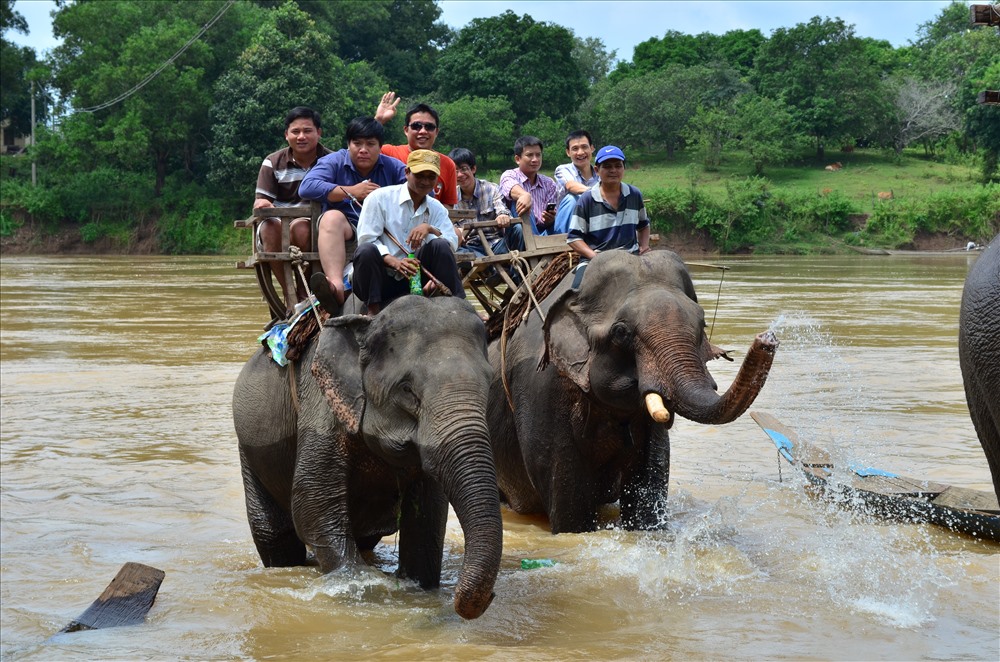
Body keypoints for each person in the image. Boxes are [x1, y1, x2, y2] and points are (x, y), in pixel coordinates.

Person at [298, 117, 406, 311]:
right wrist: (352, 191)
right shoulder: (335, 161)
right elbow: (307, 186)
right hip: (349, 225)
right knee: (331, 217)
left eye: (370, 144)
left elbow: (421, 191)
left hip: (384, 230)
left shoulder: (394, 167)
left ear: (380, 147)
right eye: (357, 143)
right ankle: (336, 286)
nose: (363, 149)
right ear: (348, 144)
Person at [352, 150, 464, 316]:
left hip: (415, 278)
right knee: (366, 251)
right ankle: (372, 311)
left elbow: (451, 242)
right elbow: (367, 239)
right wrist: (394, 262)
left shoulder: (436, 207)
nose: (425, 182)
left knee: (440, 245)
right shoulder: (379, 198)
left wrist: (429, 228)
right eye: (419, 175)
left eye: (431, 177)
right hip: (381, 278)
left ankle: (459, 304)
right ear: (407, 172)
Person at [253, 106, 332, 307]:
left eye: (307, 131)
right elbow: (261, 200)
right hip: (278, 221)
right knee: (270, 226)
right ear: (286, 135)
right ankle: (290, 294)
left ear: (319, 133)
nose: (301, 136)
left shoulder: (331, 160)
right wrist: (262, 203)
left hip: (315, 224)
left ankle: (303, 291)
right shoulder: (273, 162)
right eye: (295, 132)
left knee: (302, 228)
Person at [566, 145, 650, 285]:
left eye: (618, 166)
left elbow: (644, 225)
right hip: (595, 259)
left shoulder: (634, 194)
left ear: (624, 168)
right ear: (597, 170)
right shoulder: (586, 199)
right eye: (607, 166)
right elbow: (574, 238)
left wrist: (644, 247)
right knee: (576, 292)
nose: (613, 170)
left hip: (631, 257)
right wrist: (595, 257)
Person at [374, 92, 458, 207]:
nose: (423, 131)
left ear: (436, 132)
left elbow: (448, 206)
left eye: (429, 127)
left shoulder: (448, 164)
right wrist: (378, 121)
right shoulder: (387, 153)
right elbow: (357, 153)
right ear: (406, 130)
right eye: (416, 126)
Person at [448, 147, 525, 256]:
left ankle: (516, 272)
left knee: (518, 229)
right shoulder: (451, 197)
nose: (460, 175)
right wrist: (456, 231)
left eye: (463, 169)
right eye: (455, 171)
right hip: (471, 247)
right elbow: (449, 225)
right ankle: (488, 270)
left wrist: (502, 215)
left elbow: (501, 208)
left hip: (496, 243)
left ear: (473, 169)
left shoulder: (491, 189)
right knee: (452, 251)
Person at [498, 136, 558, 235]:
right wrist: (525, 195)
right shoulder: (509, 175)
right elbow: (512, 189)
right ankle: (534, 243)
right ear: (518, 159)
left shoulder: (549, 183)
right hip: (520, 233)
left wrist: (550, 219)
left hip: (543, 231)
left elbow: (549, 220)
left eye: (538, 155)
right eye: (530, 155)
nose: (535, 159)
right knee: (520, 201)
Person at [552, 130, 599, 234]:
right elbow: (571, 186)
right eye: (575, 149)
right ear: (568, 152)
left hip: (593, 224)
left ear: (592, 148)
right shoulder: (563, 170)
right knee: (573, 198)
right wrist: (599, 194)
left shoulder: (600, 175)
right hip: (566, 227)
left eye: (584, 147)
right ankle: (566, 241)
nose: (580, 152)